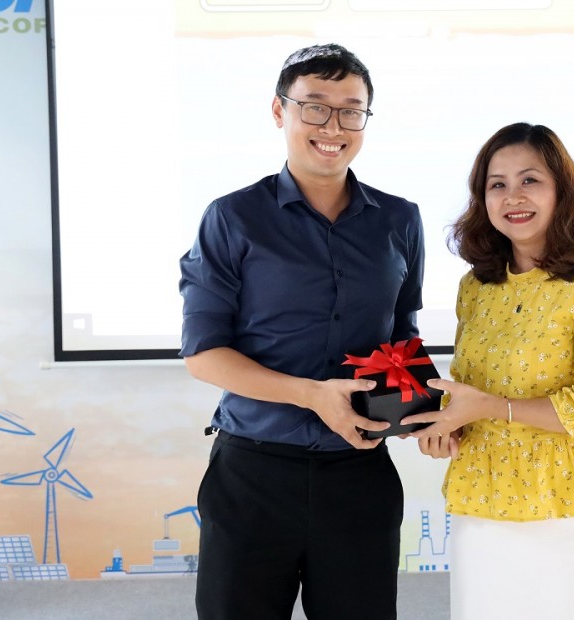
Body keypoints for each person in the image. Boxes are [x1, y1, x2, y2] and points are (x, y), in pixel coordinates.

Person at [178, 43, 425, 620]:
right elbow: (204, 354)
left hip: (360, 476)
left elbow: (401, 335)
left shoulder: (399, 219)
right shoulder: (232, 217)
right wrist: (313, 395)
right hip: (253, 476)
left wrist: (418, 412)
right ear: (279, 110)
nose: (333, 127)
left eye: (351, 110)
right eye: (315, 106)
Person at [401, 122, 574, 620]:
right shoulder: (476, 288)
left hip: (568, 501)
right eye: (497, 184)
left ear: (562, 191)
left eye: (530, 180)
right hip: (482, 499)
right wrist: (445, 428)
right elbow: (470, 390)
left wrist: (490, 407)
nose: (513, 196)